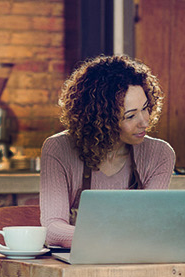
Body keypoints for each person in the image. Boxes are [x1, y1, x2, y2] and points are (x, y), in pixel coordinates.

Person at [39, 56, 176, 248]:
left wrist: (100, 237)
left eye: (145, 108)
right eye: (130, 116)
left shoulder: (160, 154)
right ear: (101, 119)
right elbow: (53, 229)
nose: (145, 121)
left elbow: (150, 225)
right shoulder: (58, 149)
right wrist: (114, 237)